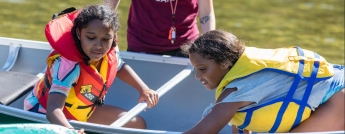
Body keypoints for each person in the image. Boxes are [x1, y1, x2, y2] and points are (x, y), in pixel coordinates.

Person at [23, 4, 159, 133]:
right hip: (42, 112)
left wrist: (143, 89)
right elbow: (53, 109)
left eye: (106, 39)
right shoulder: (69, 66)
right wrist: (70, 131)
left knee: (137, 124)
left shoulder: (109, 54)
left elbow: (119, 67)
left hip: (82, 112)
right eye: (91, 37)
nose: (98, 45)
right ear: (78, 33)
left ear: (113, 38)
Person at [180, 30, 344, 133]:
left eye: (202, 69)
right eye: (195, 70)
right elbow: (241, 122)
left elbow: (203, 131)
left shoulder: (237, 91)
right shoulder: (242, 76)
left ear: (224, 63)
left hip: (338, 95)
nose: (197, 76)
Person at [104, 0, 216, 57]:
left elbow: (206, 13)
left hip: (186, 45)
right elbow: (109, 5)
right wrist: (104, 32)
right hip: (141, 42)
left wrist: (208, 46)